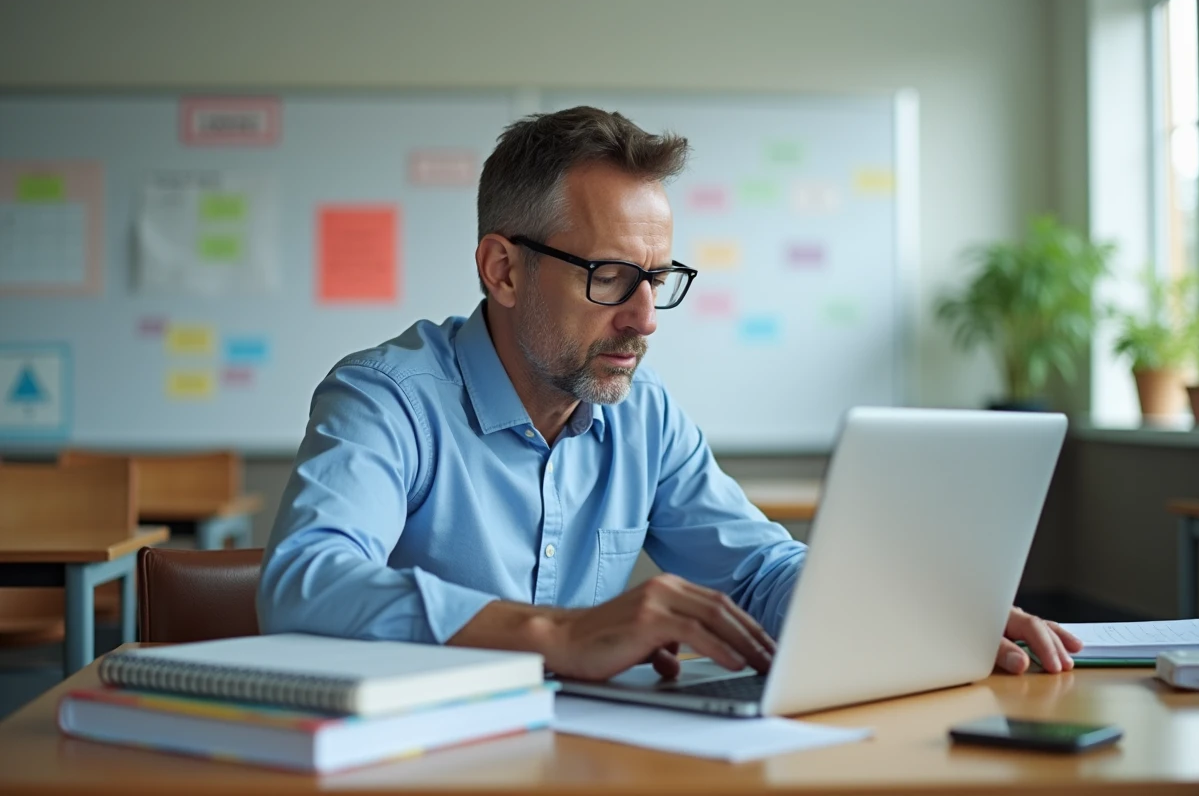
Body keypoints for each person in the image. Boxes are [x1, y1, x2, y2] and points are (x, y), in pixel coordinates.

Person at [258, 106, 1082, 682]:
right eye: (611, 276)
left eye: (658, 278)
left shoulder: (641, 414)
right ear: (503, 270)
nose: (645, 318)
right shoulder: (386, 398)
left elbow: (758, 571)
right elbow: (306, 581)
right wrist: (558, 634)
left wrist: (914, 611)